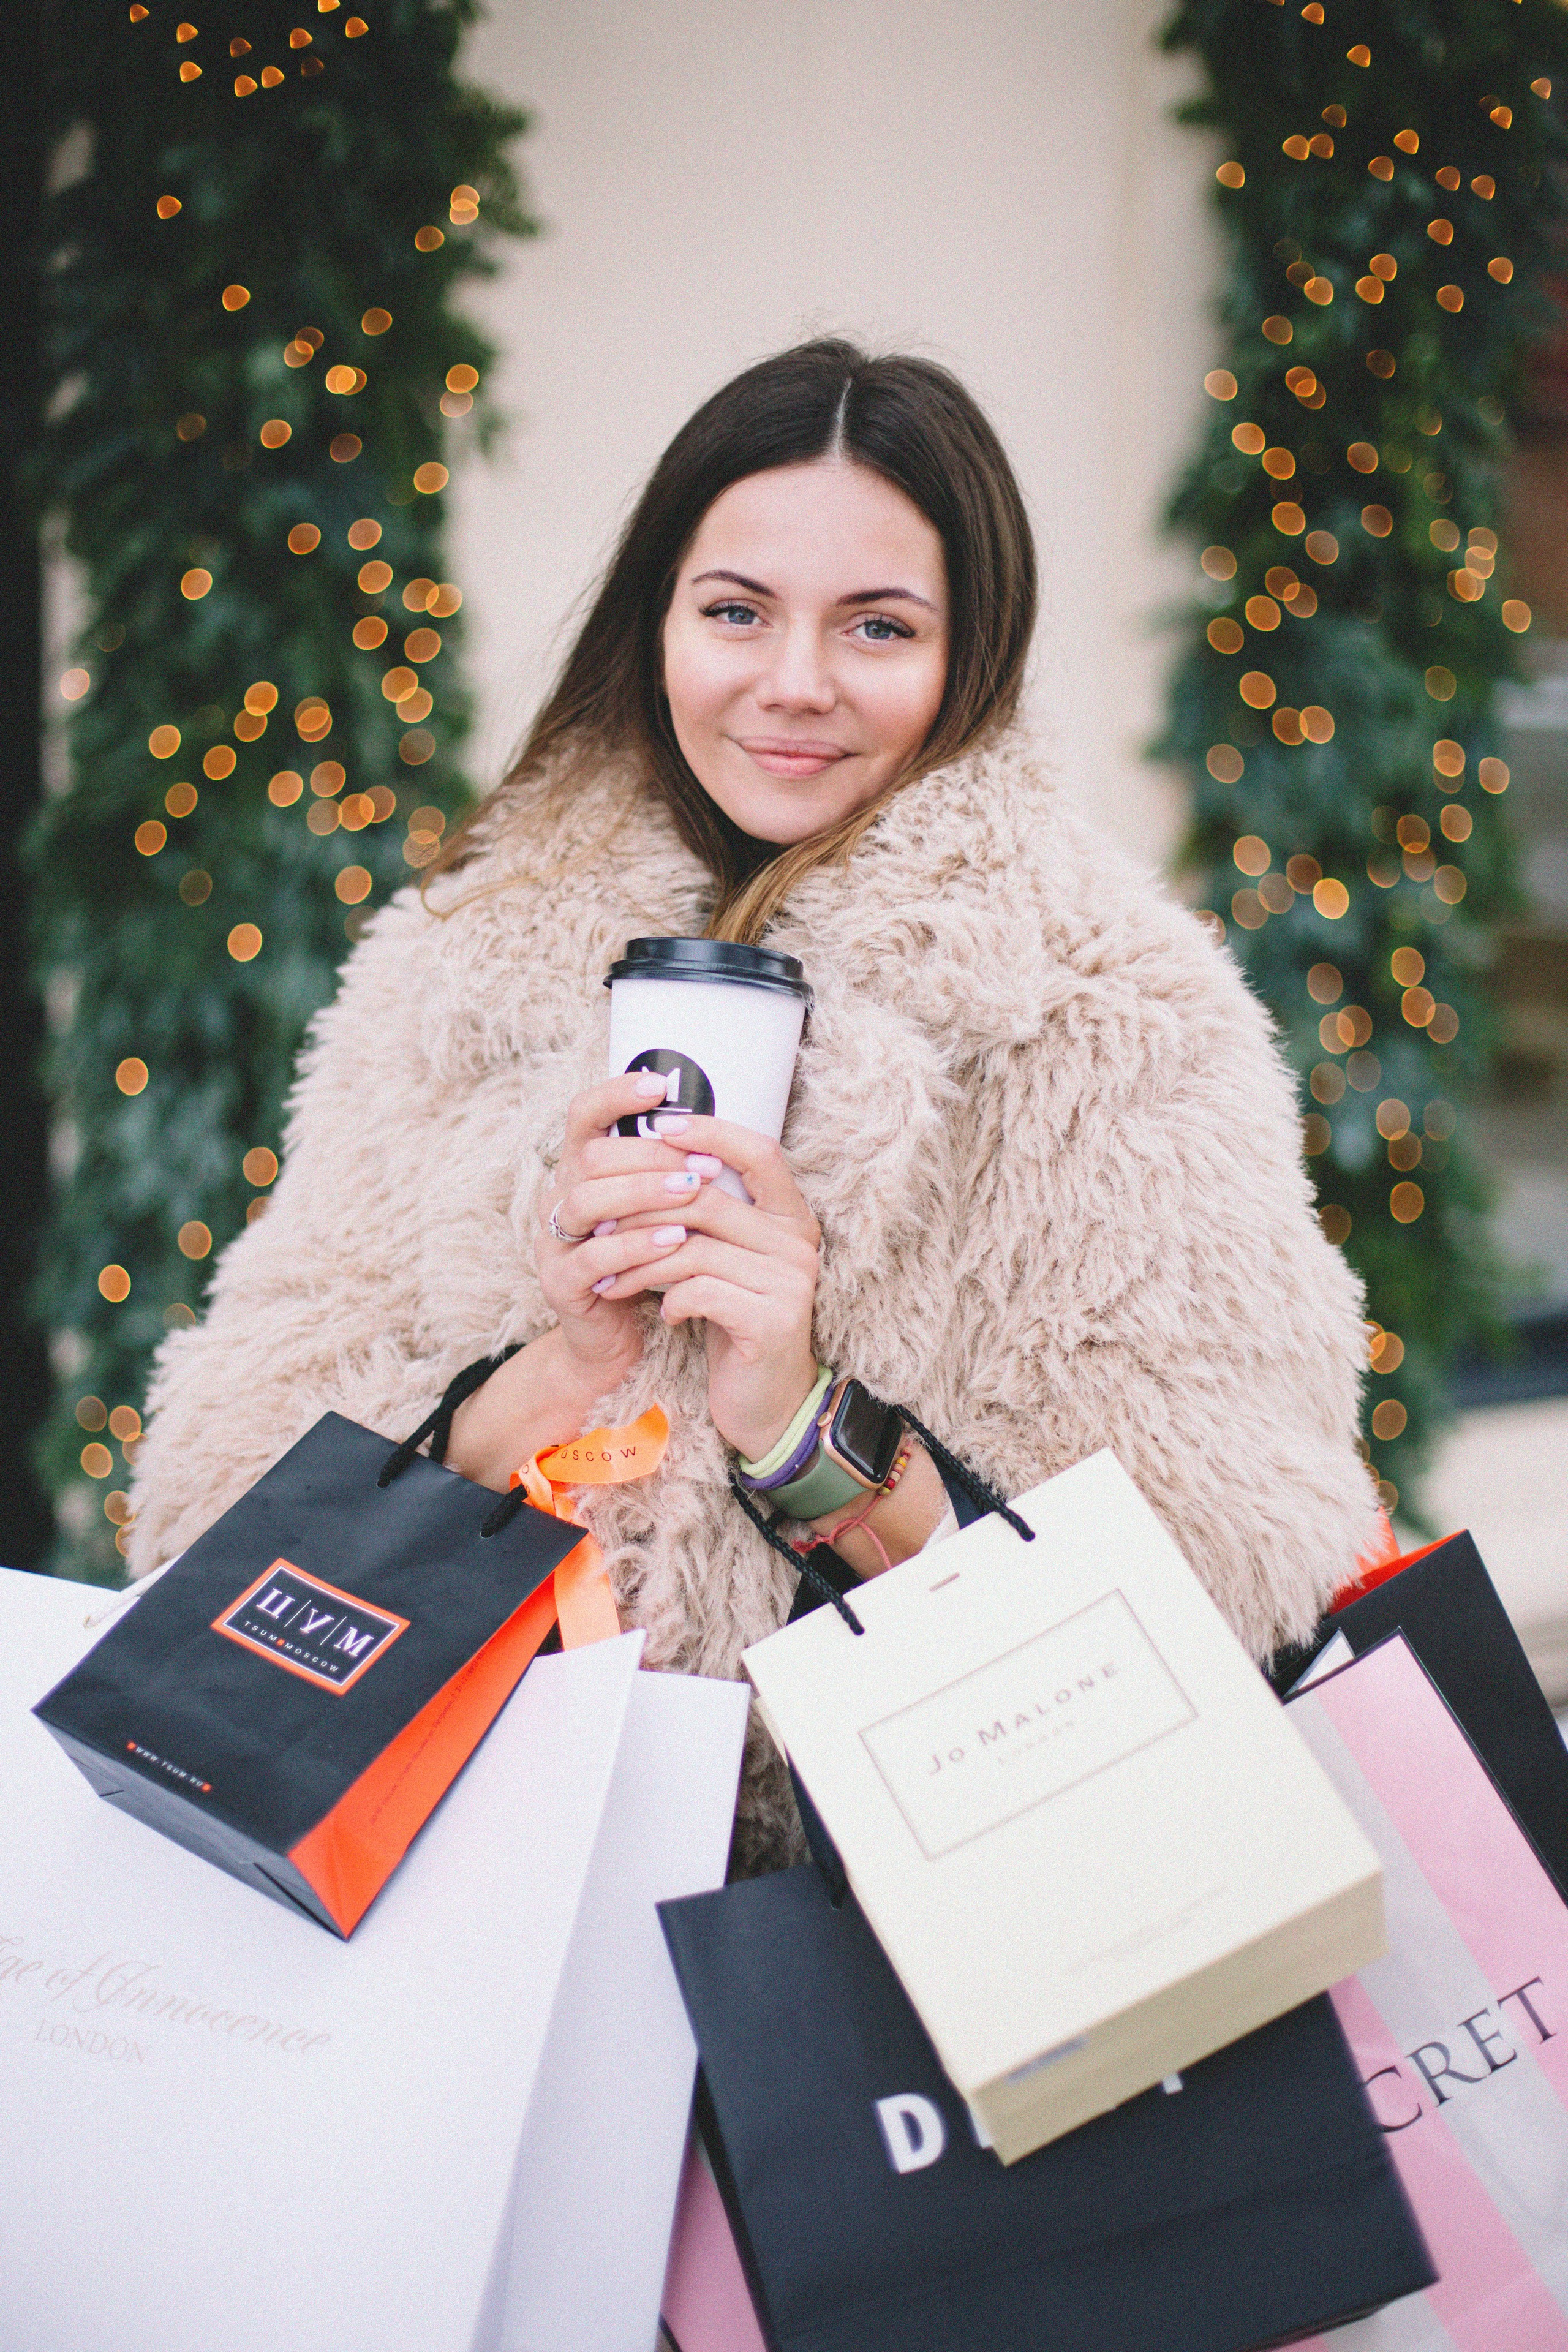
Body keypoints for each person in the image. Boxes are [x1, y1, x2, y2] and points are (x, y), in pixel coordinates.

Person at [126, 339, 1377, 1871]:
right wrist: (554, 1374)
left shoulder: (1109, 1016)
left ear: (969, 653)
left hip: (880, 1965)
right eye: (736, 612)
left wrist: (801, 1425)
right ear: (658, 622)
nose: (795, 683)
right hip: (480, 1880)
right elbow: (213, 1506)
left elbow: (1219, 1594)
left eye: (876, 626)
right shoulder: (463, 958)